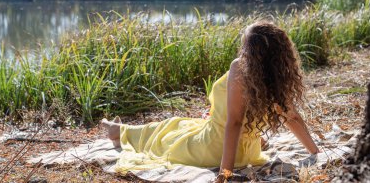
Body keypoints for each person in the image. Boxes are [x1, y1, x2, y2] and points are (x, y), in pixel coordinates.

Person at [101, 21, 320, 181]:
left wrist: (225, 174)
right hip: (249, 152)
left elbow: (234, 123)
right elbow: (292, 117)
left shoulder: (240, 68)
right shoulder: (274, 77)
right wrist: (315, 152)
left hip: (215, 149)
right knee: (180, 124)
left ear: (250, 51)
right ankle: (119, 128)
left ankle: (117, 130)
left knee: (166, 132)